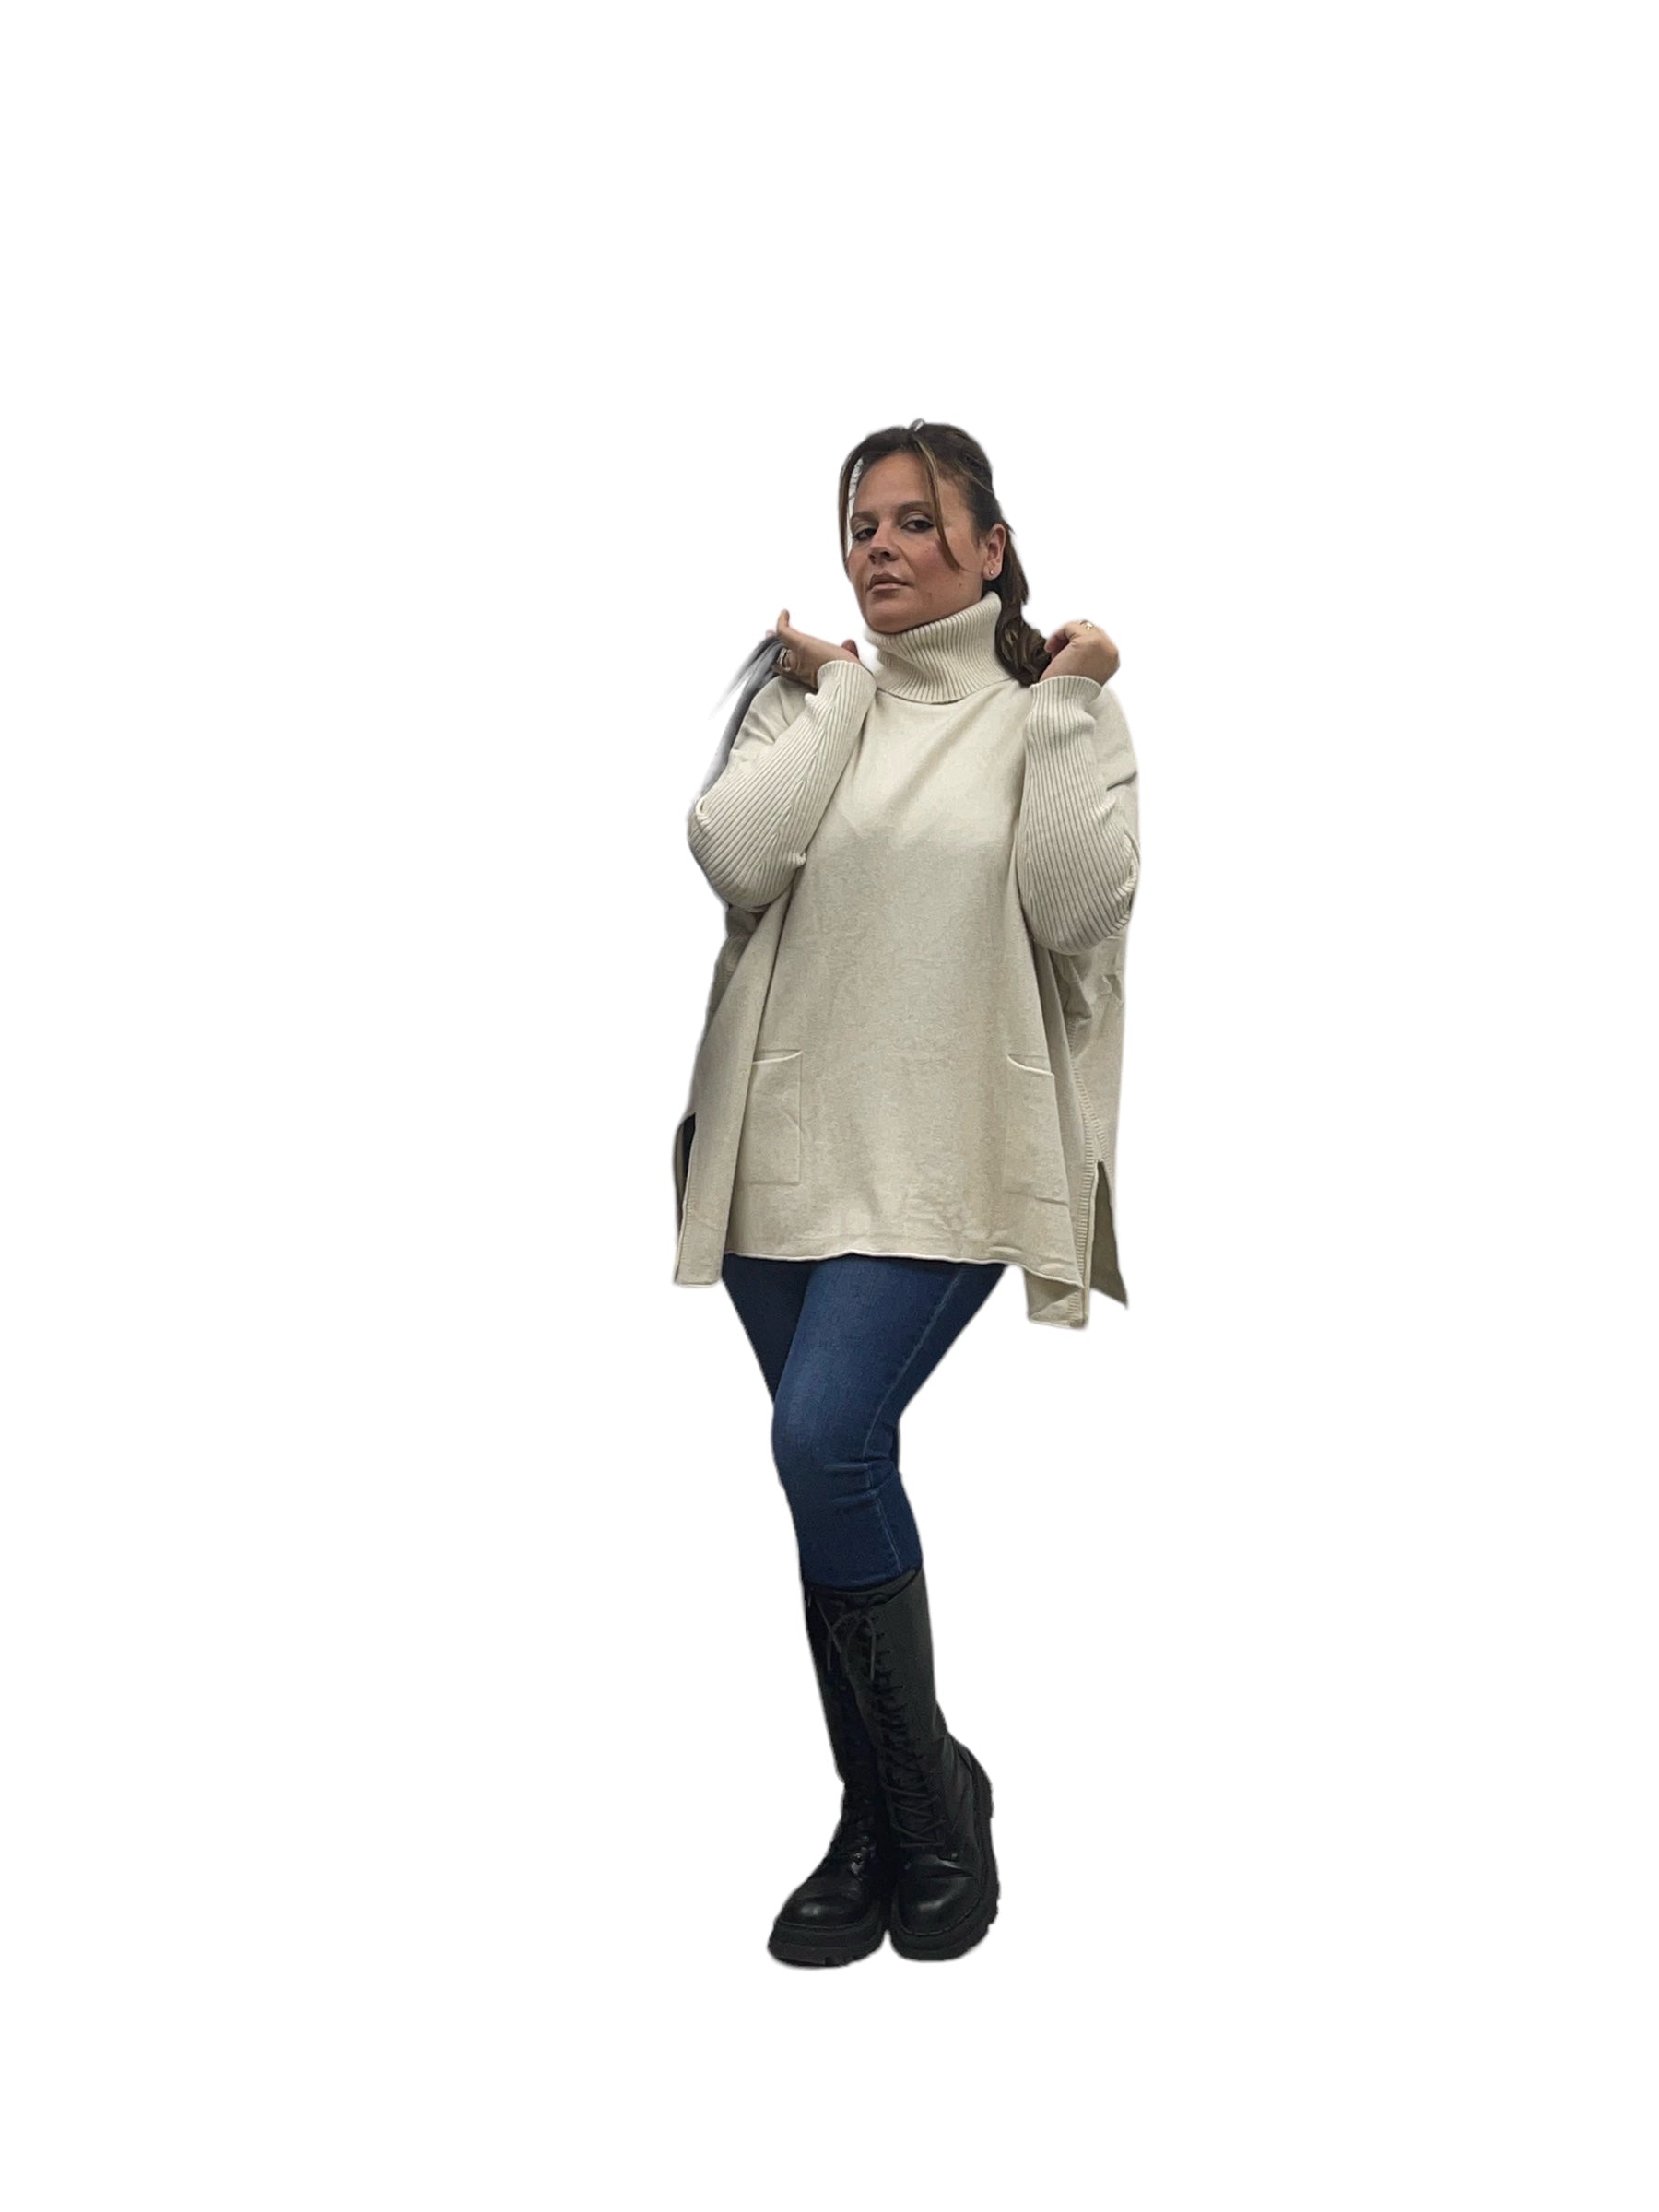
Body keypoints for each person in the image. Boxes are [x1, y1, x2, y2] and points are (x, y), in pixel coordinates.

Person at [672, 419, 1141, 1966]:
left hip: (946, 1158)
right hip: (774, 1158)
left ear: (990, 546)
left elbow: (1078, 907)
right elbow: (737, 858)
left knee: (823, 1439)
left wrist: (1064, 702)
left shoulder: (1054, 712)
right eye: (861, 524)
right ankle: (876, 1820)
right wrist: (833, 699)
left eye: (915, 520)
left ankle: (929, 1807)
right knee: (828, 1475)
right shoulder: (816, 703)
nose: (880, 545)